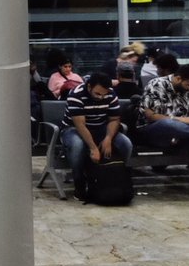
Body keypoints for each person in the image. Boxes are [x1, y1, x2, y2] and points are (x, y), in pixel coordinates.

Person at [60, 71, 133, 201]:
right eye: (97, 94)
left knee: (125, 144)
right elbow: (80, 125)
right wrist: (93, 148)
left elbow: (114, 119)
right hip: (73, 129)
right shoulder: (76, 95)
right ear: (89, 86)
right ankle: (79, 183)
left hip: (100, 127)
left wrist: (108, 139)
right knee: (78, 145)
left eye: (103, 94)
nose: (100, 97)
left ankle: (116, 179)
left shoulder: (110, 93)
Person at [136, 64, 189, 154]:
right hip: (153, 129)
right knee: (168, 124)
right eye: (188, 85)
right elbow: (150, 116)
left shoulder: (185, 90)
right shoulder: (157, 84)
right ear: (178, 79)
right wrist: (178, 119)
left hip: (181, 131)